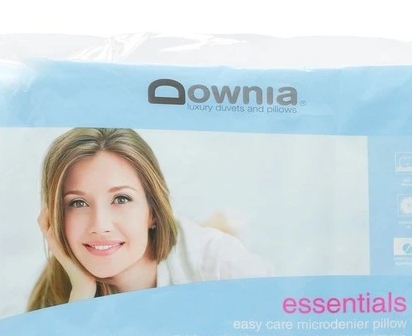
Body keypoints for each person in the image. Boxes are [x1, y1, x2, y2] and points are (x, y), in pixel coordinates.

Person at [27, 128, 271, 310]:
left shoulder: (219, 264)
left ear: (153, 211)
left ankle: (220, 223)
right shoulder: (60, 289)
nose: (100, 226)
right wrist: (81, 296)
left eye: (121, 199)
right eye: (77, 203)